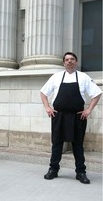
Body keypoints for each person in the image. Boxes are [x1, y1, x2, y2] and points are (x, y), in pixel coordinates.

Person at [40, 52, 102, 184]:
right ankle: (53, 169)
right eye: (67, 59)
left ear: (76, 61)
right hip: (59, 116)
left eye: (72, 59)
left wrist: (89, 109)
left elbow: (97, 93)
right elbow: (43, 92)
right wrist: (47, 107)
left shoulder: (83, 77)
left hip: (78, 117)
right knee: (57, 144)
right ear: (64, 63)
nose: (69, 61)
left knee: (78, 145)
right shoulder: (56, 77)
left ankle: (81, 172)